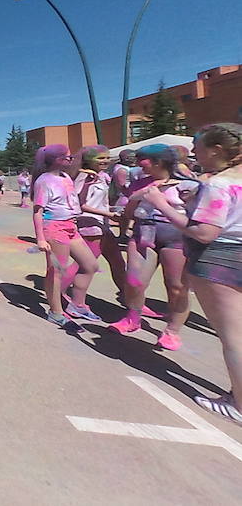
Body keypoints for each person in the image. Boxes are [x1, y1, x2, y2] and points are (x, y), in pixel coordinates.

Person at [137, 124, 241, 422]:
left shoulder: (219, 183)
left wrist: (161, 204)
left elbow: (204, 233)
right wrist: (192, 204)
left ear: (217, 150)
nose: (194, 153)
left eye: (199, 148)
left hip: (222, 259)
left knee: (233, 337)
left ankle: (238, 405)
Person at [108, 145, 199, 350]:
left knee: (177, 288)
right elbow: (129, 214)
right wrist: (138, 196)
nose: (139, 163)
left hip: (176, 240)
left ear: (159, 161)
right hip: (143, 236)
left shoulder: (188, 184)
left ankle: (172, 331)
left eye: (143, 159)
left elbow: (196, 217)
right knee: (134, 281)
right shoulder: (139, 184)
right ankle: (133, 319)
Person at [31, 145, 100, 327]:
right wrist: (40, 238)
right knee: (57, 271)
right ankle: (55, 312)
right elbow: (38, 211)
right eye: (68, 158)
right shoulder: (44, 181)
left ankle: (77, 304)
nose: (71, 160)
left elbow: (75, 199)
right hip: (54, 228)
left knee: (90, 265)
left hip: (71, 226)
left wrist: (89, 183)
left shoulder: (66, 177)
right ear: (57, 160)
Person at [72, 146, 131, 304]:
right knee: (84, 266)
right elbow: (80, 204)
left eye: (107, 158)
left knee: (118, 262)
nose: (105, 161)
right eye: (100, 158)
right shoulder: (84, 177)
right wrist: (109, 214)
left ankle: (129, 299)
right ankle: (67, 298)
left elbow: (98, 202)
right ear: (89, 160)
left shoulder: (103, 176)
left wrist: (112, 210)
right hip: (90, 227)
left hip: (103, 226)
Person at [110, 149, 137, 241]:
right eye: (131, 157)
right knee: (125, 218)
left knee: (126, 219)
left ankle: (124, 235)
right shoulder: (122, 170)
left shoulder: (123, 168)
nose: (134, 159)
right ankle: (122, 235)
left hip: (127, 196)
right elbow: (122, 186)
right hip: (124, 197)